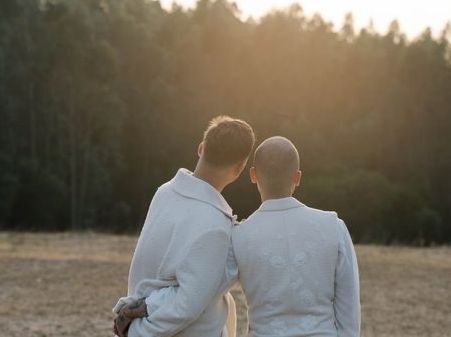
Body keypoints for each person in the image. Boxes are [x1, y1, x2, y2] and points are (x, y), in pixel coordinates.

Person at [113, 115, 255, 337]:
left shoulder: (165, 192)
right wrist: (137, 332)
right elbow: (187, 305)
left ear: (201, 148)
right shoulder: (216, 224)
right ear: (239, 169)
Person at [230, 136, 361, 336]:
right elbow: (349, 308)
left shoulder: (238, 235)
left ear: (253, 175)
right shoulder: (333, 227)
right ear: (297, 177)